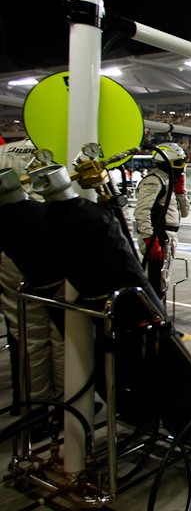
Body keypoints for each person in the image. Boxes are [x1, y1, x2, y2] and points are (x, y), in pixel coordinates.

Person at [0, 139, 64, 415]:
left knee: (27, 334)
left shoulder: (3, 152)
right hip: (54, 243)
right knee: (63, 331)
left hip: (11, 246)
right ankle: (64, 405)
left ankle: (33, 409)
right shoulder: (62, 146)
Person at [135, 142, 190, 301]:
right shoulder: (154, 180)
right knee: (154, 282)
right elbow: (142, 211)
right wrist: (150, 239)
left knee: (162, 281)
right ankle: (151, 311)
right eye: (179, 162)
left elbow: (184, 213)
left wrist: (181, 192)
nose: (182, 166)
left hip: (168, 236)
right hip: (159, 236)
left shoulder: (170, 181)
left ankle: (158, 308)